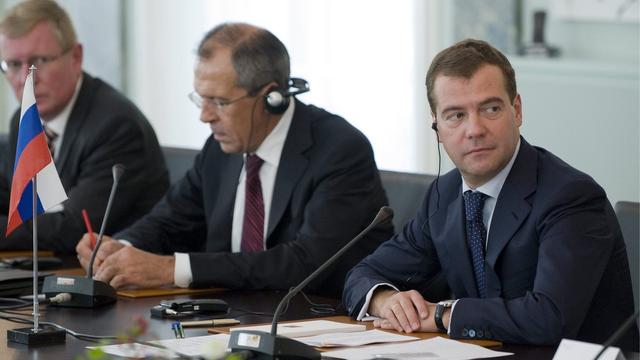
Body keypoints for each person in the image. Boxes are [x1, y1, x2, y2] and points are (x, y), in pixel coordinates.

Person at [343, 39, 639, 350]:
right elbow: (363, 274)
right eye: (455, 115)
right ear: (437, 127)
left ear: (517, 110)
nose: (474, 129)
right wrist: (383, 298)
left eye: (490, 108)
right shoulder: (443, 195)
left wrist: (444, 314)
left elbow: (550, 317)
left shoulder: (571, 196)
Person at [76, 22, 392, 297]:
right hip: (227, 316)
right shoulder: (220, 149)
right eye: (201, 98)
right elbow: (170, 220)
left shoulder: (339, 151)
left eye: (219, 102)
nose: (204, 116)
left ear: (271, 97)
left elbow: (306, 263)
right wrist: (120, 248)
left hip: (318, 319)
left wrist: (172, 269)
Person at [0, 0, 169, 253]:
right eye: (13, 64)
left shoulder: (115, 126)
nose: (27, 79)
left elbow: (73, 228)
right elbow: (16, 202)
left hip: (117, 284)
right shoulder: (23, 119)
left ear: (76, 57)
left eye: (40, 61)